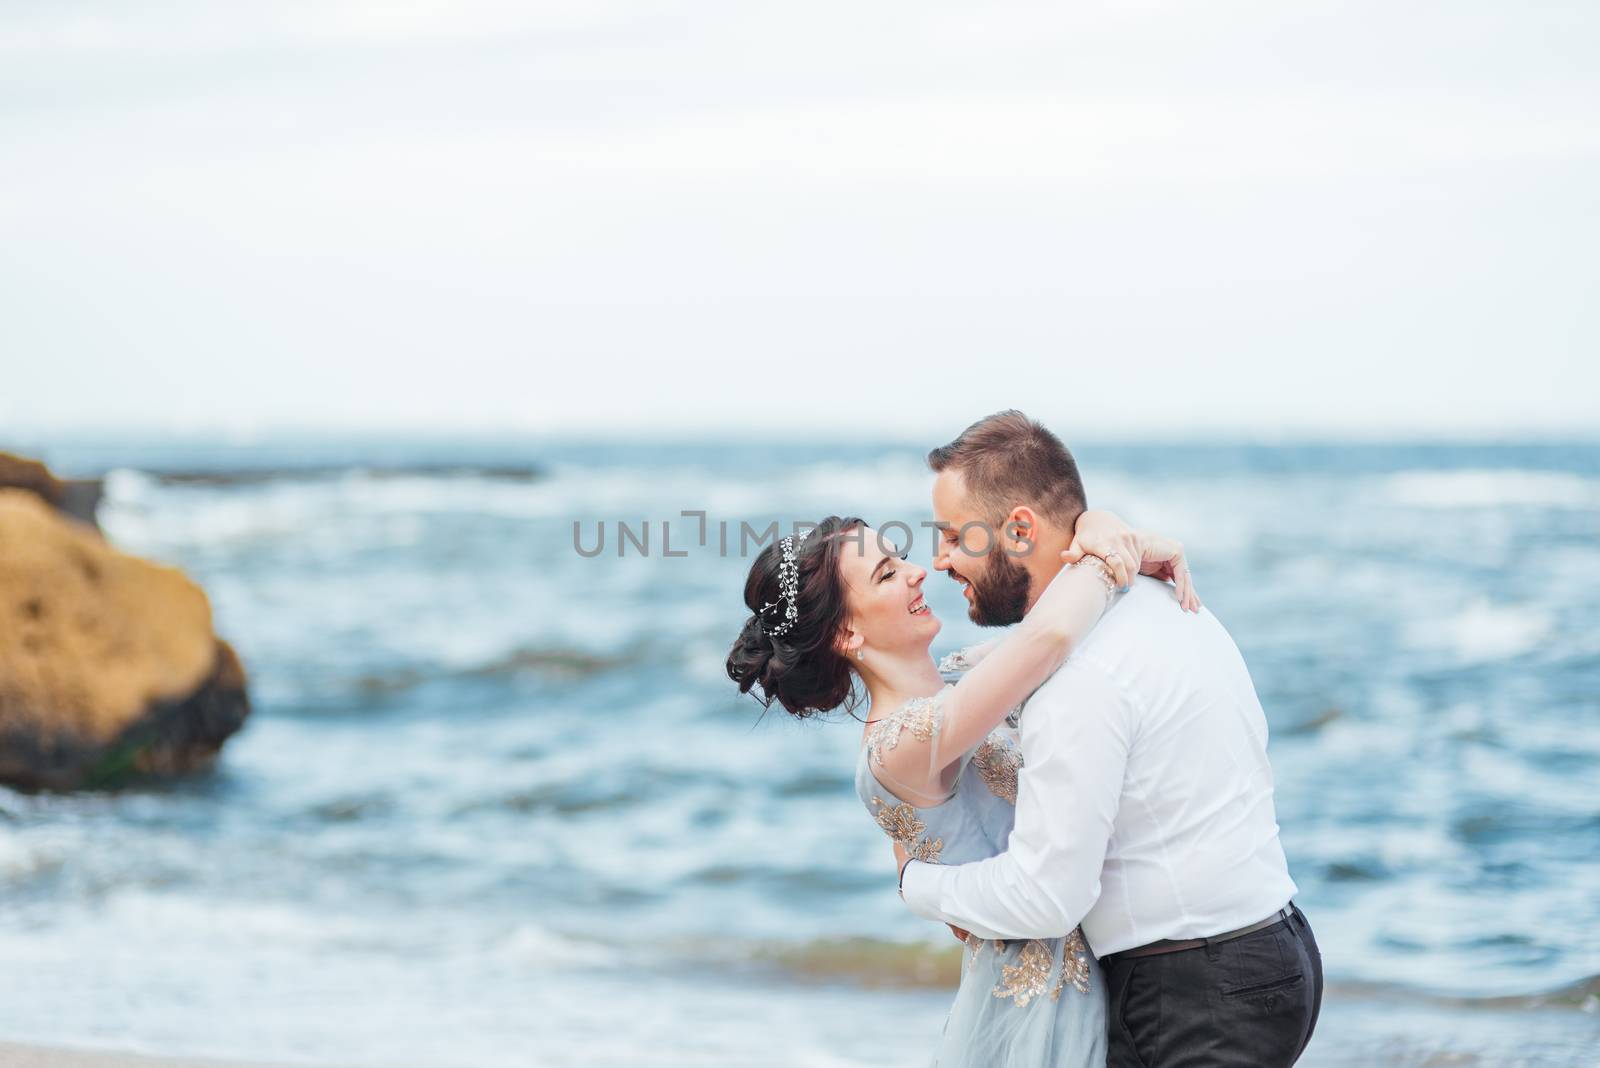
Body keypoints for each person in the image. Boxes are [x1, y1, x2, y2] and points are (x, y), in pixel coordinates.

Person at [897, 410, 1322, 1067]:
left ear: (1019, 529)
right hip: (1274, 948)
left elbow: (1046, 896)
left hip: (1194, 993)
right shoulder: (1163, 599)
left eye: (954, 535)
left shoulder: (1079, 676)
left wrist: (917, 886)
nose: (940, 559)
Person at [728, 506, 1199, 1067]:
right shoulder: (897, 747)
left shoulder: (960, 685)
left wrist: (1099, 526)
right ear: (846, 631)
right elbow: (1049, 637)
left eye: (899, 557)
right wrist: (1107, 552)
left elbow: (1051, 629)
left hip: (1101, 974)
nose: (916, 571)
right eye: (886, 573)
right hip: (1040, 1015)